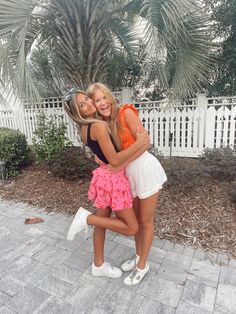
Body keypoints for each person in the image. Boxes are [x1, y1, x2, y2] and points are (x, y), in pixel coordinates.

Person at [64, 88, 150, 279]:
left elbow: (103, 156)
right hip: (113, 179)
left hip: (103, 177)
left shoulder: (84, 128)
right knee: (132, 227)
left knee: (103, 223)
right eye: (82, 104)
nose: (89, 103)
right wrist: (140, 142)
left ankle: (98, 265)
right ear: (76, 113)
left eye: (87, 99)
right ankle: (87, 219)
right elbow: (115, 160)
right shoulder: (98, 126)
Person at [87, 83, 167, 286]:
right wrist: (106, 161)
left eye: (104, 97)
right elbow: (110, 155)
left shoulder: (126, 113)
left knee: (146, 221)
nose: (103, 102)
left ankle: (142, 266)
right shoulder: (103, 125)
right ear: (94, 105)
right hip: (126, 175)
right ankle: (139, 255)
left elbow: (146, 142)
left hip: (145, 169)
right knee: (137, 221)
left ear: (110, 96)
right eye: (97, 100)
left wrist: (118, 162)